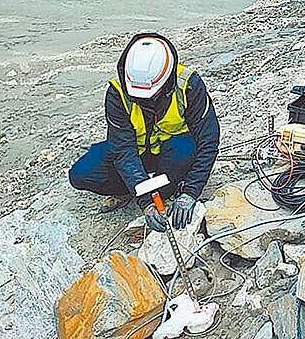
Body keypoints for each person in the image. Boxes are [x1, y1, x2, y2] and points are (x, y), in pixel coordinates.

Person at [69, 33, 220, 231]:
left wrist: (190, 193)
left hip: (173, 155)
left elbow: (208, 142)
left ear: (166, 81)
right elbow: (123, 150)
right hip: (137, 154)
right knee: (82, 174)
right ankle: (142, 189)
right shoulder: (118, 92)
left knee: (185, 148)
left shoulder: (188, 85)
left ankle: (170, 188)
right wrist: (147, 203)